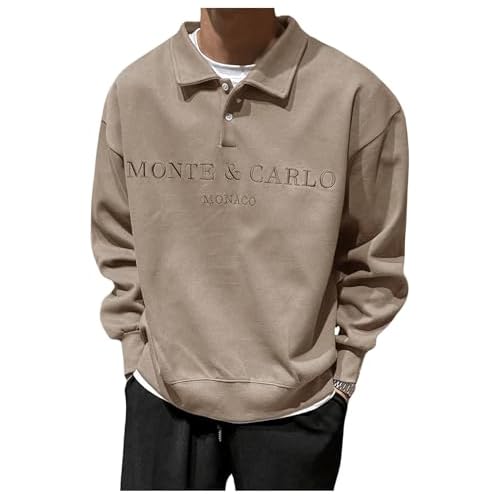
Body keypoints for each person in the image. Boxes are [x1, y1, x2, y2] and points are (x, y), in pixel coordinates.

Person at [90, 8, 409, 490]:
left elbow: (375, 255)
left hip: (300, 405)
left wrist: (345, 372)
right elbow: (117, 234)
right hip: (163, 395)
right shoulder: (136, 91)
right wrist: (135, 353)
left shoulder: (356, 97)